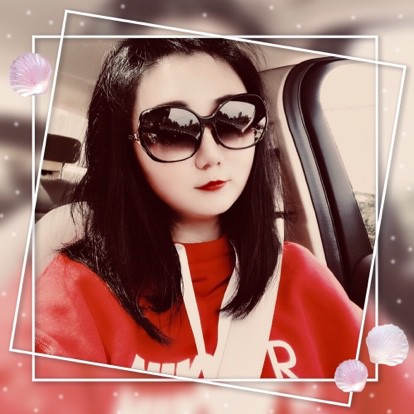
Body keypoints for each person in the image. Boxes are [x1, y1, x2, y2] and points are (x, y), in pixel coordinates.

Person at [35, 38, 362, 379]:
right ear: (123, 149)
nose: (212, 156)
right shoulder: (75, 293)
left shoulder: (302, 276)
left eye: (235, 119)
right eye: (170, 129)